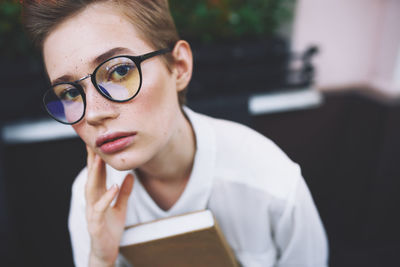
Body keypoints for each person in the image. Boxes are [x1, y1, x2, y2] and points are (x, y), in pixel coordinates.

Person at [22, 0, 328, 266]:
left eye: (119, 71)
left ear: (179, 66)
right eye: (70, 93)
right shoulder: (91, 200)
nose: (93, 114)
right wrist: (101, 259)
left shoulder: (272, 185)